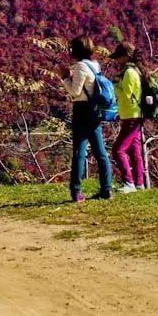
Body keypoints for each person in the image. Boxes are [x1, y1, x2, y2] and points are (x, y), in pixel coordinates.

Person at [58, 35, 112, 202]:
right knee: (100, 151)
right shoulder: (94, 65)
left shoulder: (81, 66)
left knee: (79, 152)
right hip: (94, 110)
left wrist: (65, 77)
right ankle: (106, 188)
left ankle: (76, 190)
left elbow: (75, 91)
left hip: (82, 110)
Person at [110, 42, 145, 194]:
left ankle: (128, 182)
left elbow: (126, 94)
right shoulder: (135, 71)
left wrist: (113, 86)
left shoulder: (130, 72)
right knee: (134, 152)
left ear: (125, 56)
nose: (117, 60)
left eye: (119, 57)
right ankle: (139, 183)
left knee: (118, 150)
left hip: (131, 116)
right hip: (134, 115)